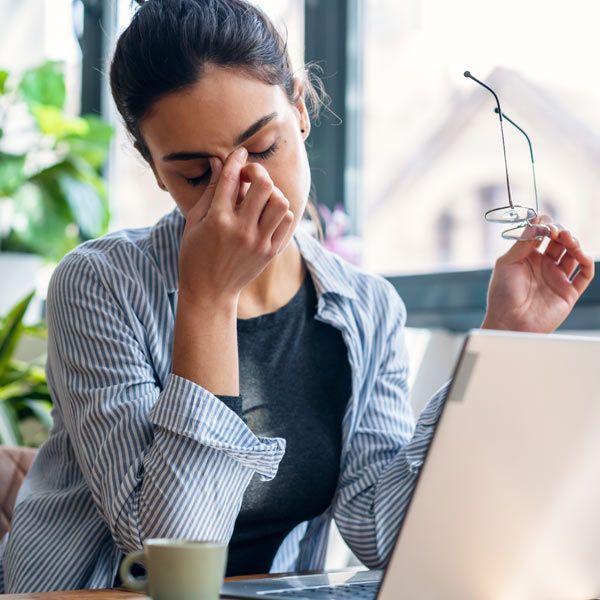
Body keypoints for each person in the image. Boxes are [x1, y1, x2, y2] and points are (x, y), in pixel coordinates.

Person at [1, 0, 594, 593]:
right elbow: (168, 564)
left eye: (262, 149)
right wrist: (208, 301)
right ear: (155, 169)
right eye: (196, 175)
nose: (245, 186)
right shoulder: (101, 285)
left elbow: (381, 530)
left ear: (301, 109)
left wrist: (499, 339)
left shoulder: (366, 308)